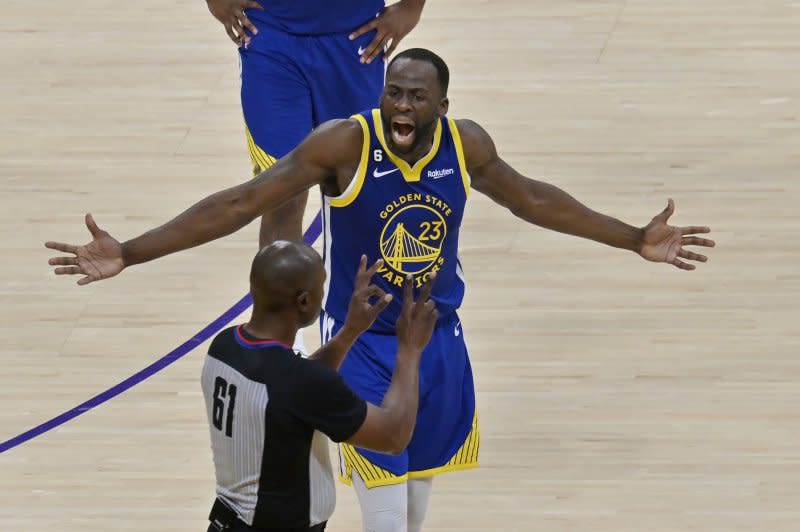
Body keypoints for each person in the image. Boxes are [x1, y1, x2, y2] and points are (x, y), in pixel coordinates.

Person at [45, 48, 715, 532]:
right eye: (393, 91)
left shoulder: (465, 144)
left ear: (441, 106)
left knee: (416, 507)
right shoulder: (344, 144)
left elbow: (533, 199)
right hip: (361, 339)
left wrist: (632, 237)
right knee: (386, 517)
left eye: (415, 96)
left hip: (436, 339)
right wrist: (131, 252)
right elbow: (241, 202)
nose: (400, 104)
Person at [203, 241, 438, 531]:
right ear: (303, 302)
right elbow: (393, 436)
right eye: (321, 286)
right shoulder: (299, 382)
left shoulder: (224, 345)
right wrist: (410, 348)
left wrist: (350, 330)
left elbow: (291, 388)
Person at [204, 0, 427, 247]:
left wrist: (412, 7)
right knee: (281, 193)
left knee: (362, 189)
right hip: (270, 37)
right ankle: (280, 285)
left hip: (357, 40)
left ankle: (354, 283)